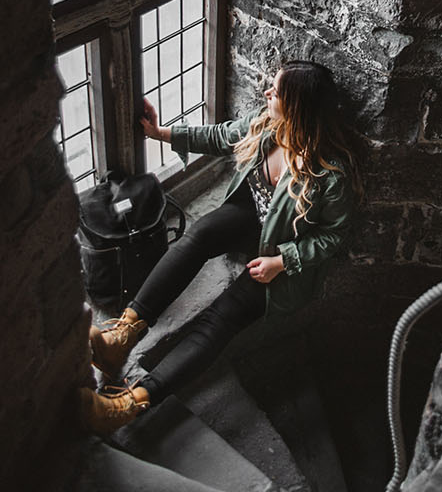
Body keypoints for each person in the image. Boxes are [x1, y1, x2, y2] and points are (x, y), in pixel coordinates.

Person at [78, 61, 364, 433]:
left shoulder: (330, 174)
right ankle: (123, 335)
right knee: (200, 234)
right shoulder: (268, 127)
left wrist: (283, 261)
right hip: (250, 222)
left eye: (275, 93)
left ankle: (130, 405)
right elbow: (221, 135)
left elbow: (334, 235)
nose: (267, 95)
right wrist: (160, 133)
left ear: (296, 106)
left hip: (281, 259)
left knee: (223, 314)